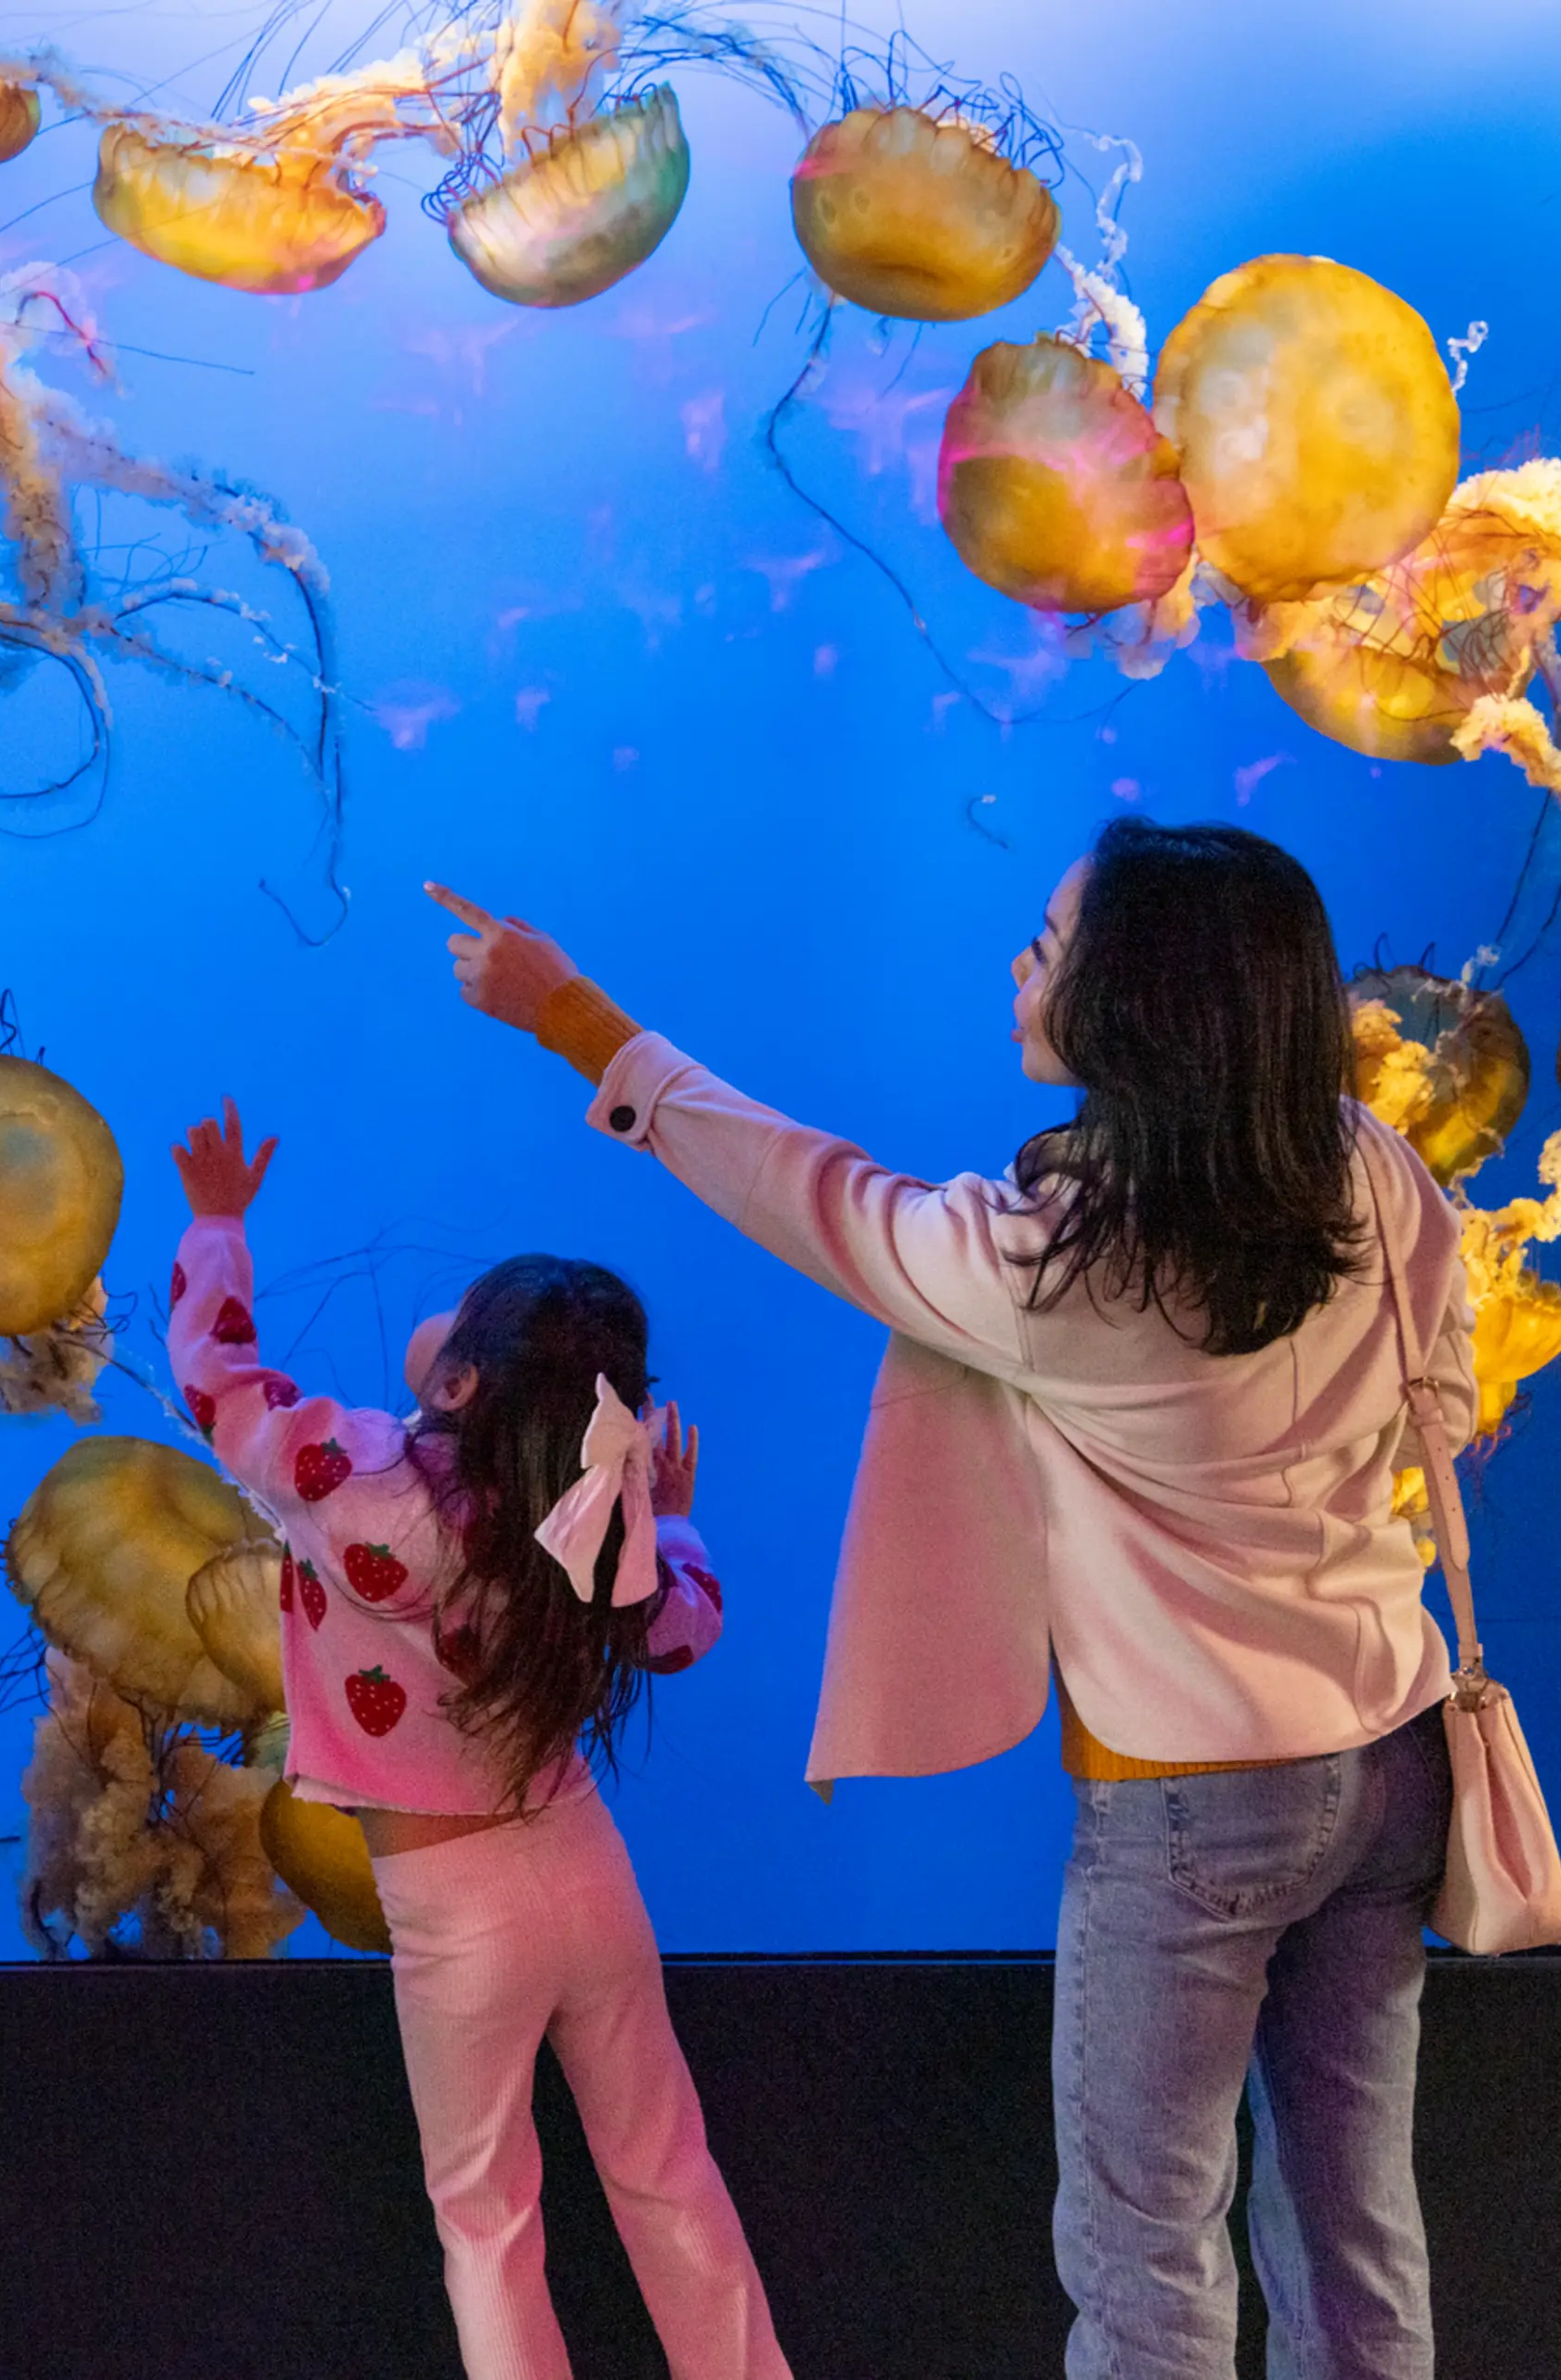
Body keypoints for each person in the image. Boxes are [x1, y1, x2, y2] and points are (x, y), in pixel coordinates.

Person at [432, 814, 1471, 2380]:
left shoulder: (1061, 1274)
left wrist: (577, 1018)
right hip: (1394, 1759)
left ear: (1135, 1006)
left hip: (1195, 1804)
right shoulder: (1368, 1170)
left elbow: (811, 1193)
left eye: (1052, 946)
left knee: (1147, 2258)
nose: (1022, 959)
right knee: (1356, 2232)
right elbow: (1443, 1402)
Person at [164, 1101, 793, 2380]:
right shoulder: (590, 1516)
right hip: (585, 1865)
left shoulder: (351, 1473)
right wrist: (673, 1521)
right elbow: (681, 1633)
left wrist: (218, 1226)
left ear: (458, 1379)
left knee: (487, 2215)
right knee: (667, 2169)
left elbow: (215, 1384)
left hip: (455, 1902)